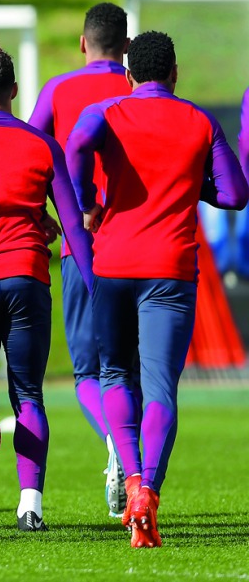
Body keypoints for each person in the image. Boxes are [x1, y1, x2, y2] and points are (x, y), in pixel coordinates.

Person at [67, 30, 248, 548]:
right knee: (162, 387)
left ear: (128, 75)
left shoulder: (107, 113)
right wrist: (195, 183)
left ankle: (130, 477)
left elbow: (77, 142)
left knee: (115, 374)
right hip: (170, 269)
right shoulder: (198, 120)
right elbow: (235, 195)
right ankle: (150, 490)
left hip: (114, 264)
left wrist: (86, 200)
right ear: (175, 73)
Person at [0, 44, 93, 532]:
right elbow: (76, 229)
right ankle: (30, 504)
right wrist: (95, 289)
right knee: (29, 394)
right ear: (14, 91)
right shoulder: (41, 144)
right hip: (29, 278)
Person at [27, 2, 132, 518]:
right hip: (144, 249)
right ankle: (137, 465)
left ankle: (117, 443)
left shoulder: (60, 90)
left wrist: (51, 218)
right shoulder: (141, 91)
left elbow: (24, 153)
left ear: (82, 43)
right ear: (128, 47)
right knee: (132, 370)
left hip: (83, 248)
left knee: (88, 372)